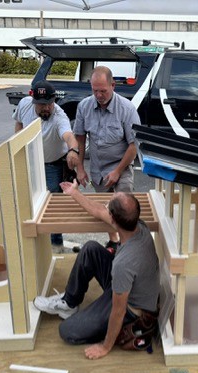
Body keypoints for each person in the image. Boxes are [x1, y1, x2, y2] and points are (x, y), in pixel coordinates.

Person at [34, 179, 160, 360]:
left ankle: (100, 330)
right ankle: (69, 302)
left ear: (114, 220)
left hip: (132, 307)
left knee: (67, 331)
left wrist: (105, 346)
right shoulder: (138, 225)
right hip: (129, 283)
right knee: (90, 249)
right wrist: (75, 193)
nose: (105, 205)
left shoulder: (123, 264)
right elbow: (101, 211)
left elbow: (118, 311)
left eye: (109, 205)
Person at [71, 66, 141, 254]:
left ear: (113, 85)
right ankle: (113, 243)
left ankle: (127, 248)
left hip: (122, 166)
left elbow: (134, 146)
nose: (99, 95)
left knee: (123, 210)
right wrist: (80, 168)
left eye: (103, 90)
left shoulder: (127, 109)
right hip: (98, 169)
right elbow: (79, 137)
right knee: (105, 210)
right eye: (95, 90)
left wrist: (118, 171)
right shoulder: (84, 106)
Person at [13, 80, 80, 253]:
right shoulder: (24, 104)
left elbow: (69, 136)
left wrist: (73, 150)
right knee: (29, 200)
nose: (46, 108)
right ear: (33, 101)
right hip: (30, 161)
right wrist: (18, 145)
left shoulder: (59, 117)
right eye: (41, 104)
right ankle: (35, 243)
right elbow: (19, 123)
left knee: (52, 205)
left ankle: (55, 243)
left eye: (49, 103)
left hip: (53, 165)